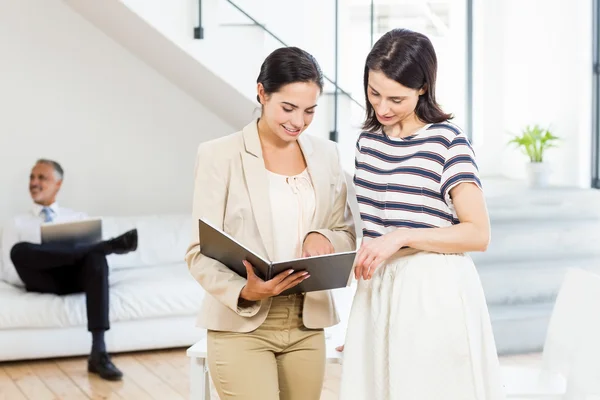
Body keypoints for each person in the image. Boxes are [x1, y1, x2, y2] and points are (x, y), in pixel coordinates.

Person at [338, 29, 506, 399]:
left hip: (433, 290)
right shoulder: (368, 142)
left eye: (396, 98)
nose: (382, 108)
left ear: (423, 89)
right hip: (379, 289)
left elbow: (478, 233)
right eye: (374, 92)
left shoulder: (447, 141)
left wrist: (403, 236)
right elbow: (373, 227)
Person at [185, 46, 356, 400]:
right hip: (241, 324)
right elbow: (198, 253)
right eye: (288, 108)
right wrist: (245, 291)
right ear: (262, 93)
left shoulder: (326, 155)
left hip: (307, 322)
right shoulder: (220, 155)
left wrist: (321, 235)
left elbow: (345, 233)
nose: (299, 121)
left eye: (310, 111)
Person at [1, 159, 138, 381]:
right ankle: (108, 246)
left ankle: (99, 353)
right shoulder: (16, 223)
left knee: (96, 259)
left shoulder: (78, 218)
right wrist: (45, 261)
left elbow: (96, 271)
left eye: (41, 178)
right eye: (32, 177)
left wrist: (71, 258)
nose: (34, 182)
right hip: (40, 279)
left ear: (58, 184)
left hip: (74, 278)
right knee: (19, 250)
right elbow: (9, 270)